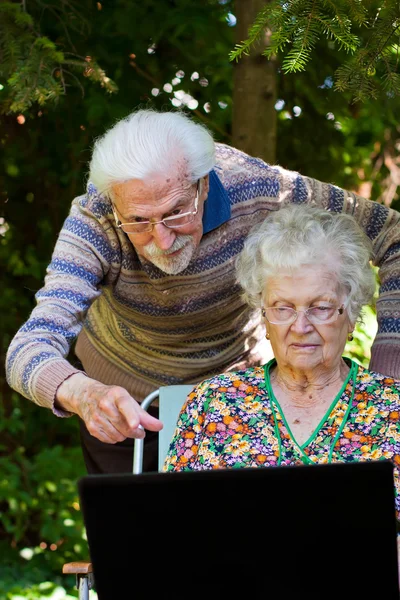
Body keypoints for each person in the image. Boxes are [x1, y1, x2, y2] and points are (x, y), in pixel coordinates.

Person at [5, 109, 400, 475]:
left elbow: (392, 233)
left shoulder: (259, 188)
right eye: (139, 221)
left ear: (204, 184)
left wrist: (389, 361)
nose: (160, 239)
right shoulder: (97, 219)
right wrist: (82, 393)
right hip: (126, 406)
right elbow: (29, 347)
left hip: (243, 409)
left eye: (175, 212)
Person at [162, 205, 400, 517]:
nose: (300, 327)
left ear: (352, 312)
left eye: (321, 307)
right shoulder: (212, 404)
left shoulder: (393, 408)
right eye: (283, 308)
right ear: (263, 313)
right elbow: (169, 531)